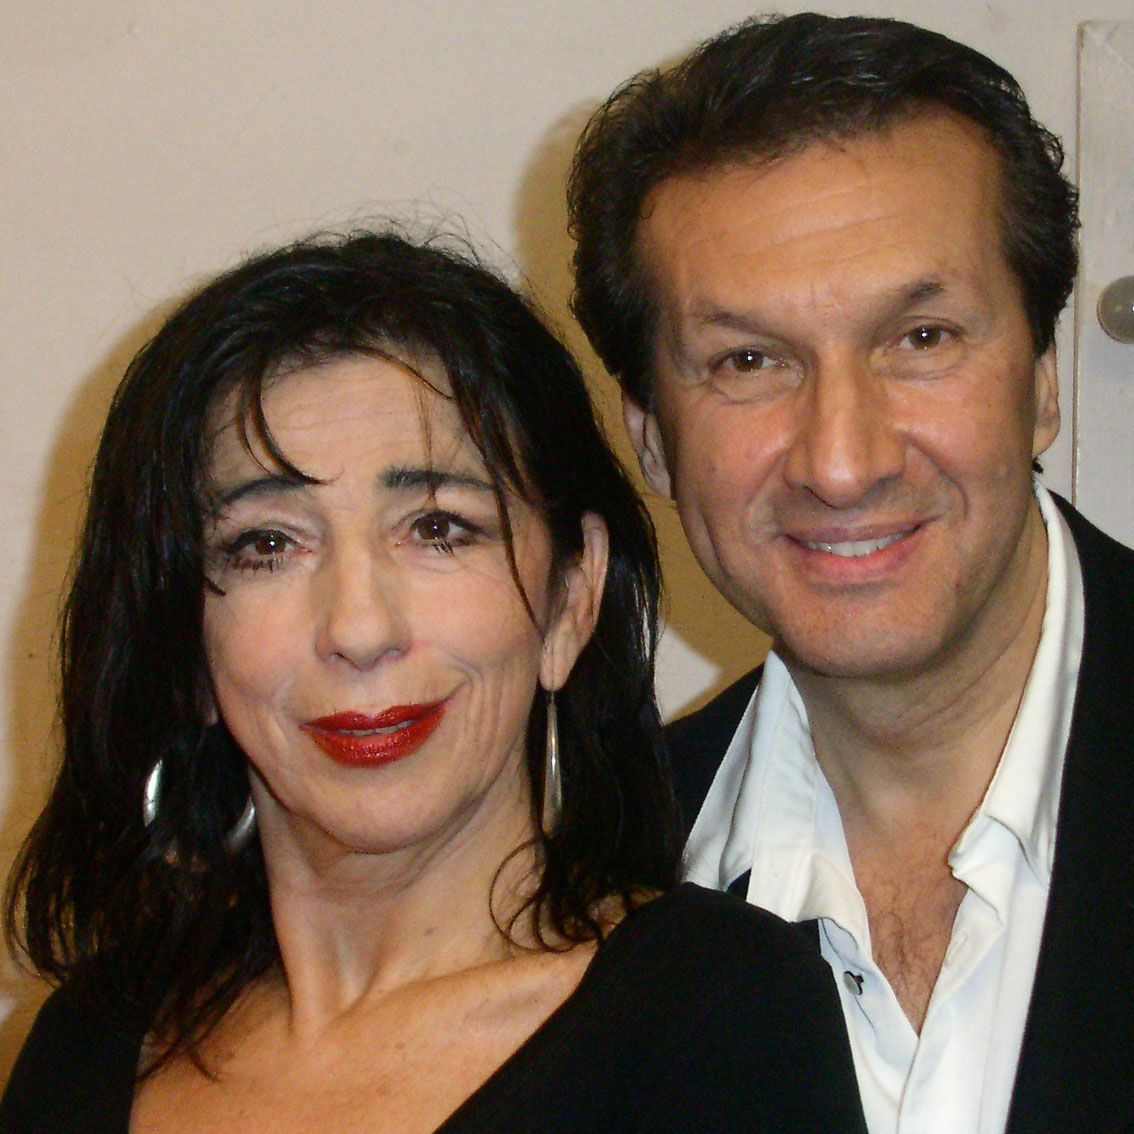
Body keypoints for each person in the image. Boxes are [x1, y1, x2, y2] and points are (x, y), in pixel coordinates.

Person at [0, 228, 866, 1132]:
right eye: (267, 545)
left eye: (439, 529)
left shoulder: (719, 1018)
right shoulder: (87, 1045)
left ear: (570, 601)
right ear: (182, 644)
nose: (359, 629)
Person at [568, 12, 1134, 1134]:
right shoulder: (585, 882)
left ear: (1043, 380)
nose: (841, 462)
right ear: (652, 441)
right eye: (748, 360)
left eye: (921, 340)